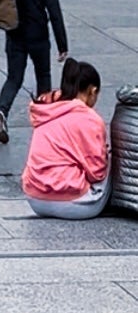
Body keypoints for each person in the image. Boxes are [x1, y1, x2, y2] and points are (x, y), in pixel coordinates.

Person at [0, 0, 69, 144]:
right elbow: (54, 11)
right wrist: (62, 44)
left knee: (14, 78)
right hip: (38, 36)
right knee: (43, 77)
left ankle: (1, 111)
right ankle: (44, 124)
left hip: (15, 34)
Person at [22, 58, 111, 218]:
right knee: (110, 158)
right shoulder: (89, 119)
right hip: (74, 203)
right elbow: (97, 173)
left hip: (35, 198)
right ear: (92, 90)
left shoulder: (46, 108)